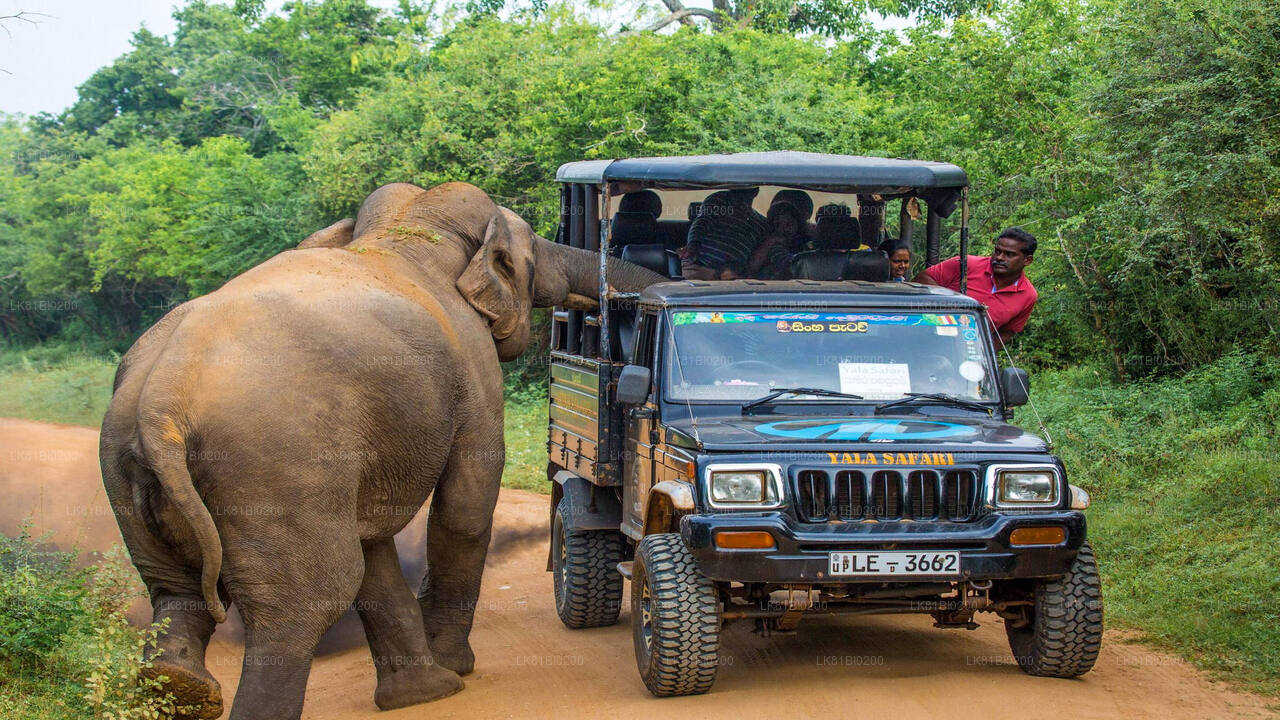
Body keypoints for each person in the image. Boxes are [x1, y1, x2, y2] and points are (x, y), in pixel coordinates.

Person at [913, 227, 1038, 344]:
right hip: (926, 336)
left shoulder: (1028, 295)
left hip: (966, 351)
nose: (999, 257)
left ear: (1027, 260)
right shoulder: (966, 264)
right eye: (997, 251)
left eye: (1009, 254)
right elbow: (921, 280)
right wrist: (948, 307)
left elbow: (1006, 332)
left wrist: (983, 357)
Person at [679, 190, 765, 280]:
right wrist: (692, 246)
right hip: (701, 267)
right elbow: (702, 222)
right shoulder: (722, 200)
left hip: (734, 275)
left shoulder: (760, 222)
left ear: (756, 191)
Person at [749, 201, 806, 279]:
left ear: (798, 223)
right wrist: (770, 242)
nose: (784, 229)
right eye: (778, 225)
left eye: (789, 224)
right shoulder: (771, 247)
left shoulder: (807, 244)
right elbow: (753, 266)